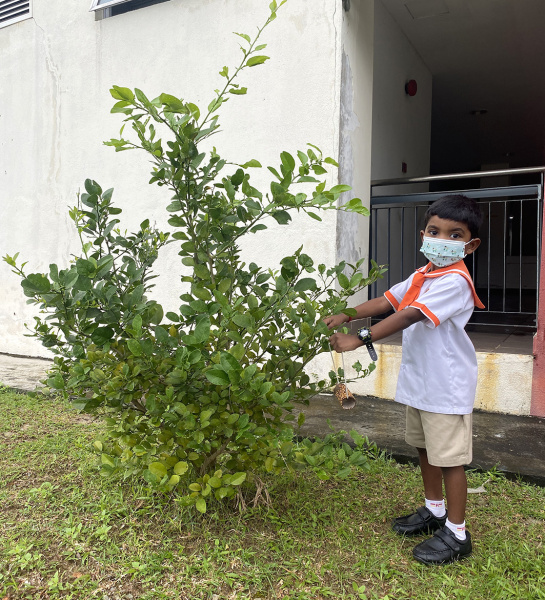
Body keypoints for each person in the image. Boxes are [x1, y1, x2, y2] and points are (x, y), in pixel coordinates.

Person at [324, 194, 483, 565]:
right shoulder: (424, 274)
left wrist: (359, 337)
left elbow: (410, 315)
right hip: (423, 384)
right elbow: (388, 301)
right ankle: (434, 510)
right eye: (434, 230)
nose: (441, 239)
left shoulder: (455, 281)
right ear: (423, 234)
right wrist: (346, 314)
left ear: (470, 244)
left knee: (450, 460)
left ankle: (457, 534)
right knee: (424, 448)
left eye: (454, 234)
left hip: (446, 386)